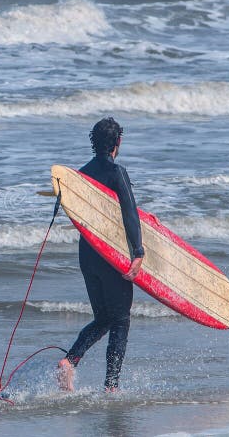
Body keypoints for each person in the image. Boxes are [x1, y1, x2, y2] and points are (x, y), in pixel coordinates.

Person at [57, 117, 144, 392]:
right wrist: (138, 252)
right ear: (117, 142)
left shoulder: (80, 175)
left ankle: (70, 361)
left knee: (104, 318)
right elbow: (130, 214)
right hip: (112, 256)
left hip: (88, 255)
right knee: (120, 320)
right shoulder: (116, 172)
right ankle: (111, 386)